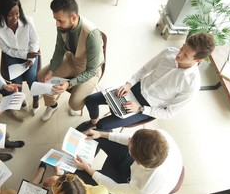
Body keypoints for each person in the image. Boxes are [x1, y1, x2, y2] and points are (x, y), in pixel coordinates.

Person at [76, 32, 215, 131]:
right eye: (182, 48)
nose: (179, 55)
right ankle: (93, 121)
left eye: (186, 55)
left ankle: (98, 128)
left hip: (147, 106)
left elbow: (170, 113)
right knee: (90, 100)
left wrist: (141, 108)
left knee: (103, 126)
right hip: (135, 88)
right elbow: (144, 69)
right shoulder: (168, 53)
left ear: (198, 60)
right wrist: (128, 84)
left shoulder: (192, 84)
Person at [38, 0, 104, 121]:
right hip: (72, 60)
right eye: (55, 20)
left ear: (73, 17)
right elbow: (59, 50)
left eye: (60, 21)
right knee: (42, 76)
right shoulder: (62, 27)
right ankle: (52, 106)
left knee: (75, 104)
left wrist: (69, 83)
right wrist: (51, 71)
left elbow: (91, 70)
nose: (57, 24)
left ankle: (90, 88)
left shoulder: (92, 35)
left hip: (89, 69)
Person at [75, 128, 183, 194]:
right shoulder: (160, 135)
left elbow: (113, 188)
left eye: (130, 145)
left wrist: (88, 169)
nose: (129, 139)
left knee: (79, 178)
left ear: (137, 161)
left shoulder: (144, 190)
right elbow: (131, 139)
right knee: (99, 136)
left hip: (129, 182)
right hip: (141, 167)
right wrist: (102, 134)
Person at [0, 0, 41, 116]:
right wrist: (24, 55)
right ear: (1, 13)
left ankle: (36, 100)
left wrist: (30, 58)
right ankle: (22, 101)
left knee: (32, 79)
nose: (15, 18)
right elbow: (5, 49)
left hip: (30, 53)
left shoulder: (28, 22)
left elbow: (35, 42)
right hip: (12, 55)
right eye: (10, 15)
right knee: (16, 83)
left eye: (17, 13)